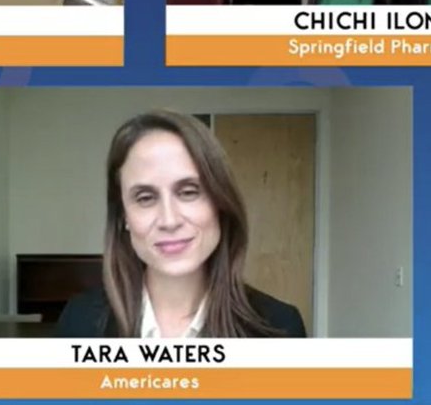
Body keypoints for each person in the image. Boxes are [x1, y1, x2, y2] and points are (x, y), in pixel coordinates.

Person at [56, 110, 307, 339]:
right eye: (145, 198)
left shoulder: (280, 328)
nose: (169, 220)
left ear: (221, 203)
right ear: (124, 217)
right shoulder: (79, 322)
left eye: (189, 192)